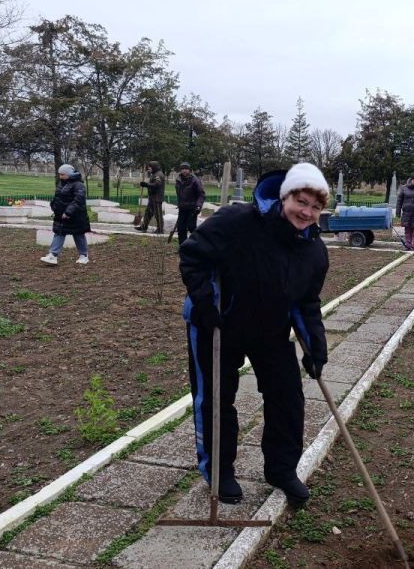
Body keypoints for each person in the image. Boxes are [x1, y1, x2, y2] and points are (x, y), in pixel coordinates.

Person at [179, 162, 330, 508]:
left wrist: (315, 346)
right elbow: (192, 255)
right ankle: (219, 471)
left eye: (315, 206)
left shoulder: (313, 250)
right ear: (285, 196)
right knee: (216, 398)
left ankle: (281, 470)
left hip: (269, 328)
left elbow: (306, 301)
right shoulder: (237, 222)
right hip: (218, 322)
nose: (306, 212)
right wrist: (204, 302)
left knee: (287, 397)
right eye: (301, 201)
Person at [41, 164, 92, 266]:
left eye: (63, 174)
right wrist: (54, 205)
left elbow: (78, 200)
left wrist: (68, 212)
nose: (60, 176)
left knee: (78, 235)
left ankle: (84, 256)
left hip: (76, 216)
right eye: (59, 174)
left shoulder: (78, 185)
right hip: (61, 215)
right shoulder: (62, 183)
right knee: (59, 233)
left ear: (69, 174)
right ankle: (53, 255)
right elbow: (58, 197)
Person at [174, 162, 206, 244]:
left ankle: (199, 244)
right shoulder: (178, 180)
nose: (184, 170)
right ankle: (183, 247)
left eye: (186, 169)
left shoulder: (195, 180)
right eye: (183, 169)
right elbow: (179, 193)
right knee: (181, 228)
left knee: (191, 227)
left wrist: (198, 206)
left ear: (189, 170)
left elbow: (201, 194)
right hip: (182, 208)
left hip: (192, 208)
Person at [136, 161, 166, 234]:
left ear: (154, 167)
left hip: (157, 198)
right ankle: (144, 227)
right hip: (152, 198)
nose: (149, 168)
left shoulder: (159, 175)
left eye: (150, 167)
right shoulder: (154, 174)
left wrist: (146, 185)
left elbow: (157, 184)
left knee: (158, 215)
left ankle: (160, 229)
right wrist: (146, 185)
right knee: (148, 213)